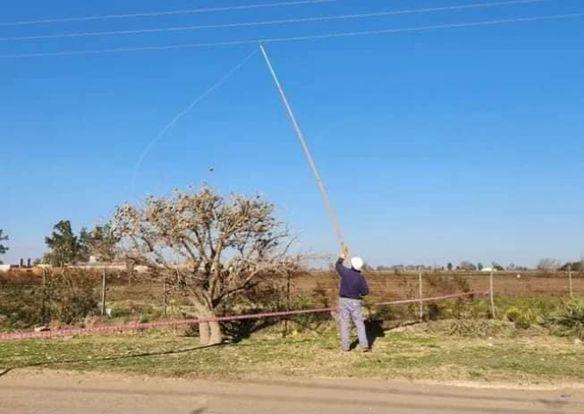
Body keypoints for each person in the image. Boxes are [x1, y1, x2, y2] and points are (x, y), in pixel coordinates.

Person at [335, 244, 370, 352]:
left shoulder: (345, 272)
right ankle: (364, 345)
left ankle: (345, 347)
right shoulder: (360, 278)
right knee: (359, 323)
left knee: (345, 323)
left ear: (352, 264)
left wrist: (342, 257)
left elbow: (337, 265)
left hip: (343, 301)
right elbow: (365, 292)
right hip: (356, 301)